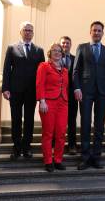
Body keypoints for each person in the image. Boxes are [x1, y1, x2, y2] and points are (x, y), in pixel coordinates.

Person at [73, 21, 105, 170]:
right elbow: (76, 70)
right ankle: (84, 157)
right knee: (85, 123)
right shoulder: (82, 48)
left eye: (99, 31)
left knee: (99, 126)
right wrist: (76, 88)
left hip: (102, 92)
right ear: (90, 32)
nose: (96, 33)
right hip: (85, 91)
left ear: (103, 33)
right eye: (94, 30)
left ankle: (96, 157)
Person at [2, 21, 45, 160]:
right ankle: (16, 148)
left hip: (32, 91)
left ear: (33, 33)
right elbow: (7, 69)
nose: (28, 32)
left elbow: (42, 73)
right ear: (20, 32)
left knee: (29, 120)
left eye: (30, 30)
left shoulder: (39, 50)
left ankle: (27, 147)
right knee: (16, 119)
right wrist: (5, 88)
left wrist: (41, 93)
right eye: (25, 30)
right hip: (15, 90)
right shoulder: (12, 48)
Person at [36, 43, 69, 172]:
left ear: (62, 53)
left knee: (61, 133)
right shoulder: (43, 66)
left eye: (59, 51)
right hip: (48, 103)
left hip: (63, 103)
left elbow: (66, 87)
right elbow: (40, 84)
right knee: (48, 133)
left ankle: (58, 160)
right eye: (54, 50)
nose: (57, 52)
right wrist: (42, 100)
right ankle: (48, 161)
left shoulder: (65, 70)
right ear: (50, 53)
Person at [60, 36, 78, 155]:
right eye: (63, 43)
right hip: (58, 95)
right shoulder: (54, 58)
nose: (65, 45)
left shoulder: (75, 59)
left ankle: (72, 145)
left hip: (71, 95)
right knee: (58, 121)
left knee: (72, 121)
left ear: (70, 45)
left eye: (67, 43)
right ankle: (57, 144)